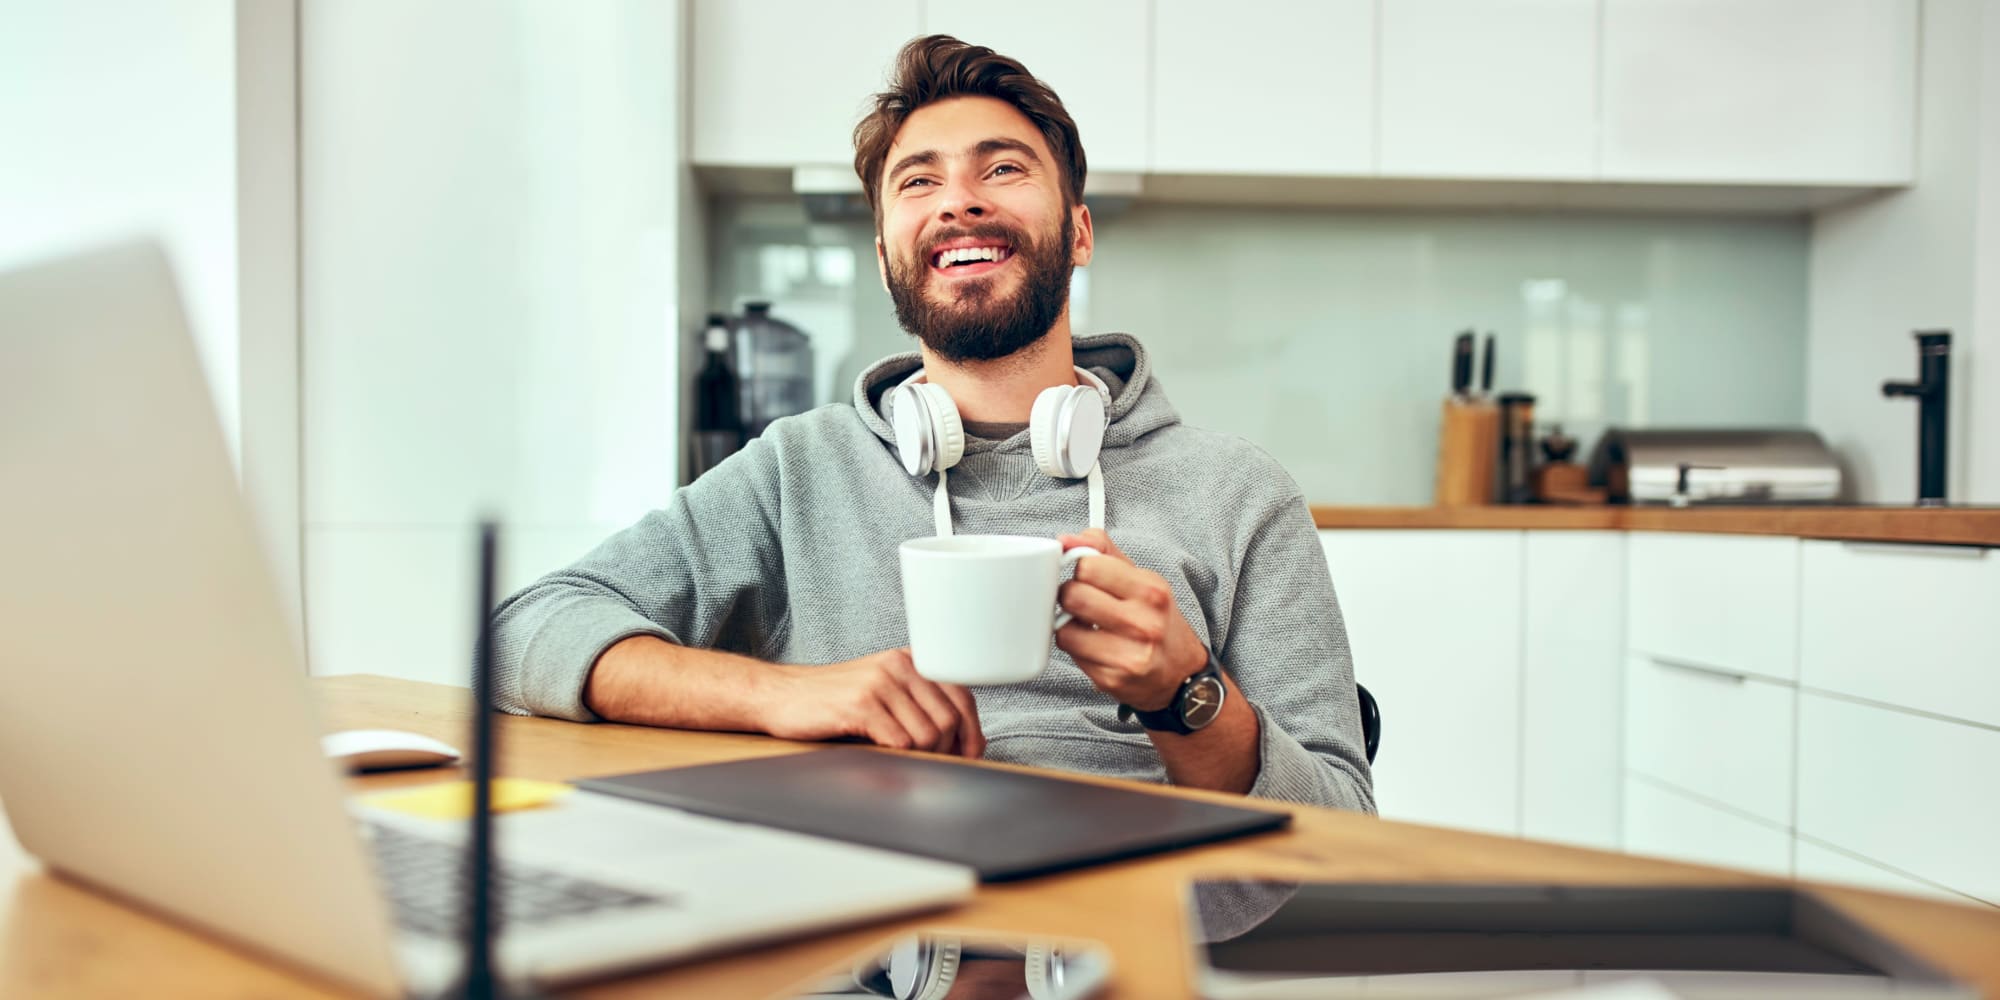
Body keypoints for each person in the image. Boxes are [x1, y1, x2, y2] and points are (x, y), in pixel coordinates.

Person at [491, 35, 1373, 812]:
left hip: (1136, 928)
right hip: (874, 922)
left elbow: (1341, 824)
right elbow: (521, 635)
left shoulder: (1238, 493)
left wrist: (1187, 693)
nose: (959, 203)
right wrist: (785, 697)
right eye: (920, 182)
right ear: (885, 257)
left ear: (1078, 232)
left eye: (1003, 168)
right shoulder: (799, 469)